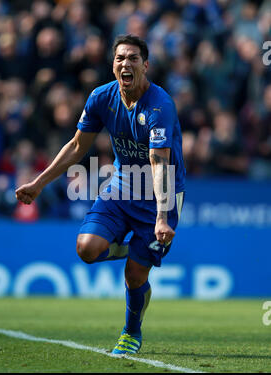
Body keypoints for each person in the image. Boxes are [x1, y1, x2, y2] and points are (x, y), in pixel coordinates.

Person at [15, 34, 186, 355]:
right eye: (120, 58)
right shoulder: (100, 98)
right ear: (113, 64)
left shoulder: (160, 105)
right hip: (121, 186)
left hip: (159, 195)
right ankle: (131, 247)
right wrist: (39, 183)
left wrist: (163, 217)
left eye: (133, 58)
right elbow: (78, 146)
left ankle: (131, 332)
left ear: (145, 65)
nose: (126, 63)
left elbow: (159, 161)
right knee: (86, 249)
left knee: (135, 275)